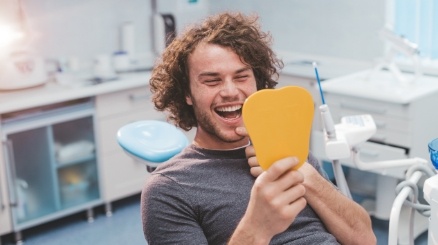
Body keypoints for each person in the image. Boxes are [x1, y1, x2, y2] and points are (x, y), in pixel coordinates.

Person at [141, 12, 376, 245]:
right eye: (212, 81)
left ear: (257, 83)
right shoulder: (168, 189)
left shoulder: (289, 151)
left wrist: (305, 175)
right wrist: (258, 226)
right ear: (187, 94)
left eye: (241, 77)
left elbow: (365, 239)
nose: (230, 91)